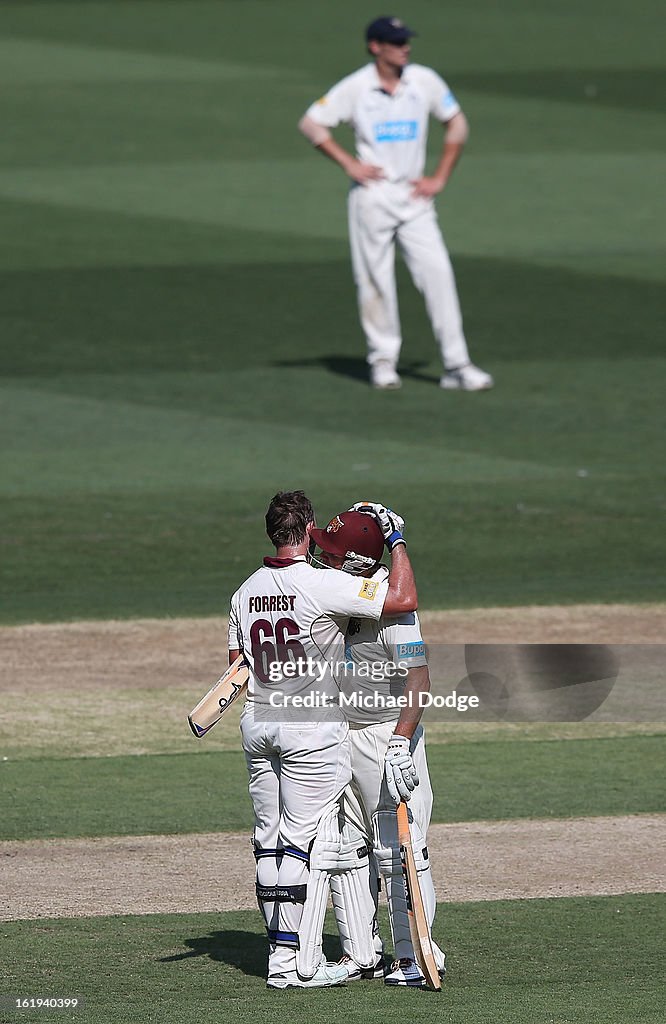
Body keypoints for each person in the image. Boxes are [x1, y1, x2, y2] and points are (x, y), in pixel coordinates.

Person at [227, 490, 417, 989]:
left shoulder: (243, 592)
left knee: (267, 842)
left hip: (258, 721)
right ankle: (291, 964)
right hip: (311, 727)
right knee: (304, 843)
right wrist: (395, 542)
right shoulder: (319, 584)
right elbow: (401, 599)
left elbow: (237, 669)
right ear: (308, 528)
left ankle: (285, 953)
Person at [299, 15, 493, 392]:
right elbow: (311, 123)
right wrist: (349, 164)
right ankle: (383, 362)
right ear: (375, 47)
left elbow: (457, 124)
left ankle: (457, 365)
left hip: (415, 197)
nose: (405, 47)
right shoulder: (357, 87)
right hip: (373, 198)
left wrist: (440, 177)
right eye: (396, 41)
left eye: (406, 40)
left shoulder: (424, 81)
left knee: (438, 275)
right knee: (375, 281)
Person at [308, 501, 446, 988]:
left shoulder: (395, 611)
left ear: (354, 562)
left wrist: (401, 742)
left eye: (332, 551)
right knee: (348, 848)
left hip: (385, 737)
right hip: (338, 737)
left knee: (401, 851)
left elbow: (420, 679)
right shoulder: (341, 591)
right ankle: (360, 952)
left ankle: (415, 953)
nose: (321, 557)